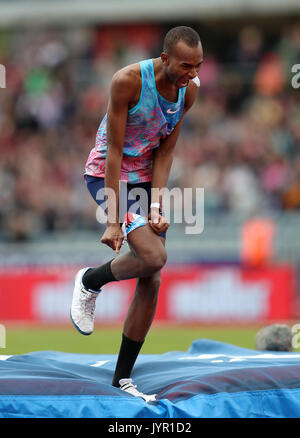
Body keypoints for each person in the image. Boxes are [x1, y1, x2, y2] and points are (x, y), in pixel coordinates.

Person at [70, 26, 204, 402]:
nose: (192, 74)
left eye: (198, 66)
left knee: (153, 276)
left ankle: (122, 379)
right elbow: (114, 150)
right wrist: (113, 218)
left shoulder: (189, 90)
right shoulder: (128, 81)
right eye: (185, 66)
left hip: (145, 179)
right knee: (153, 255)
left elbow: (165, 152)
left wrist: (157, 206)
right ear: (164, 59)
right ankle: (91, 280)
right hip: (108, 174)